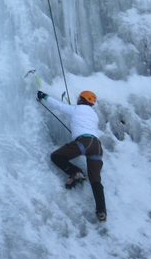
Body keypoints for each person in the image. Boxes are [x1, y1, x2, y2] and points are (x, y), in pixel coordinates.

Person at [37, 89, 107, 222]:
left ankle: (76, 173)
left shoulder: (77, 109)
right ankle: (102, 211)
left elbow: (59, 106)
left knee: (56, 156)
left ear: (82, 100)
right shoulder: (94, 115)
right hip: (96, 146)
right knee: (96, 181)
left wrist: (43, 96)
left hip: (84, 142)